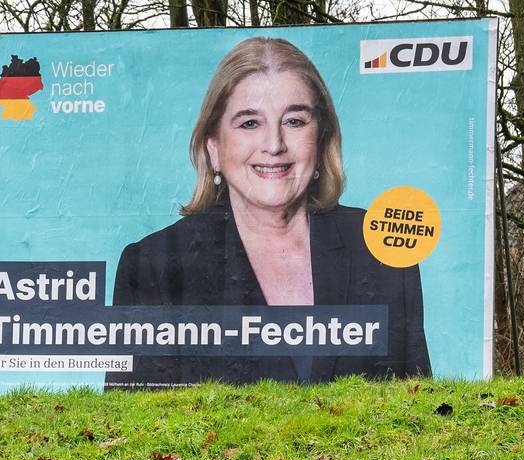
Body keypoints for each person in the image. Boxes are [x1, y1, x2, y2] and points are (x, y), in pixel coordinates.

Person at [107, 37, 429, 389]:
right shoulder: (153, 266)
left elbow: (419, 421)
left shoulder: (382, 250)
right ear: (213, 147)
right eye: (249, 123)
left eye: (294, 121)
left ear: (320, 138)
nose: (274, 145)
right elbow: (137, 432)